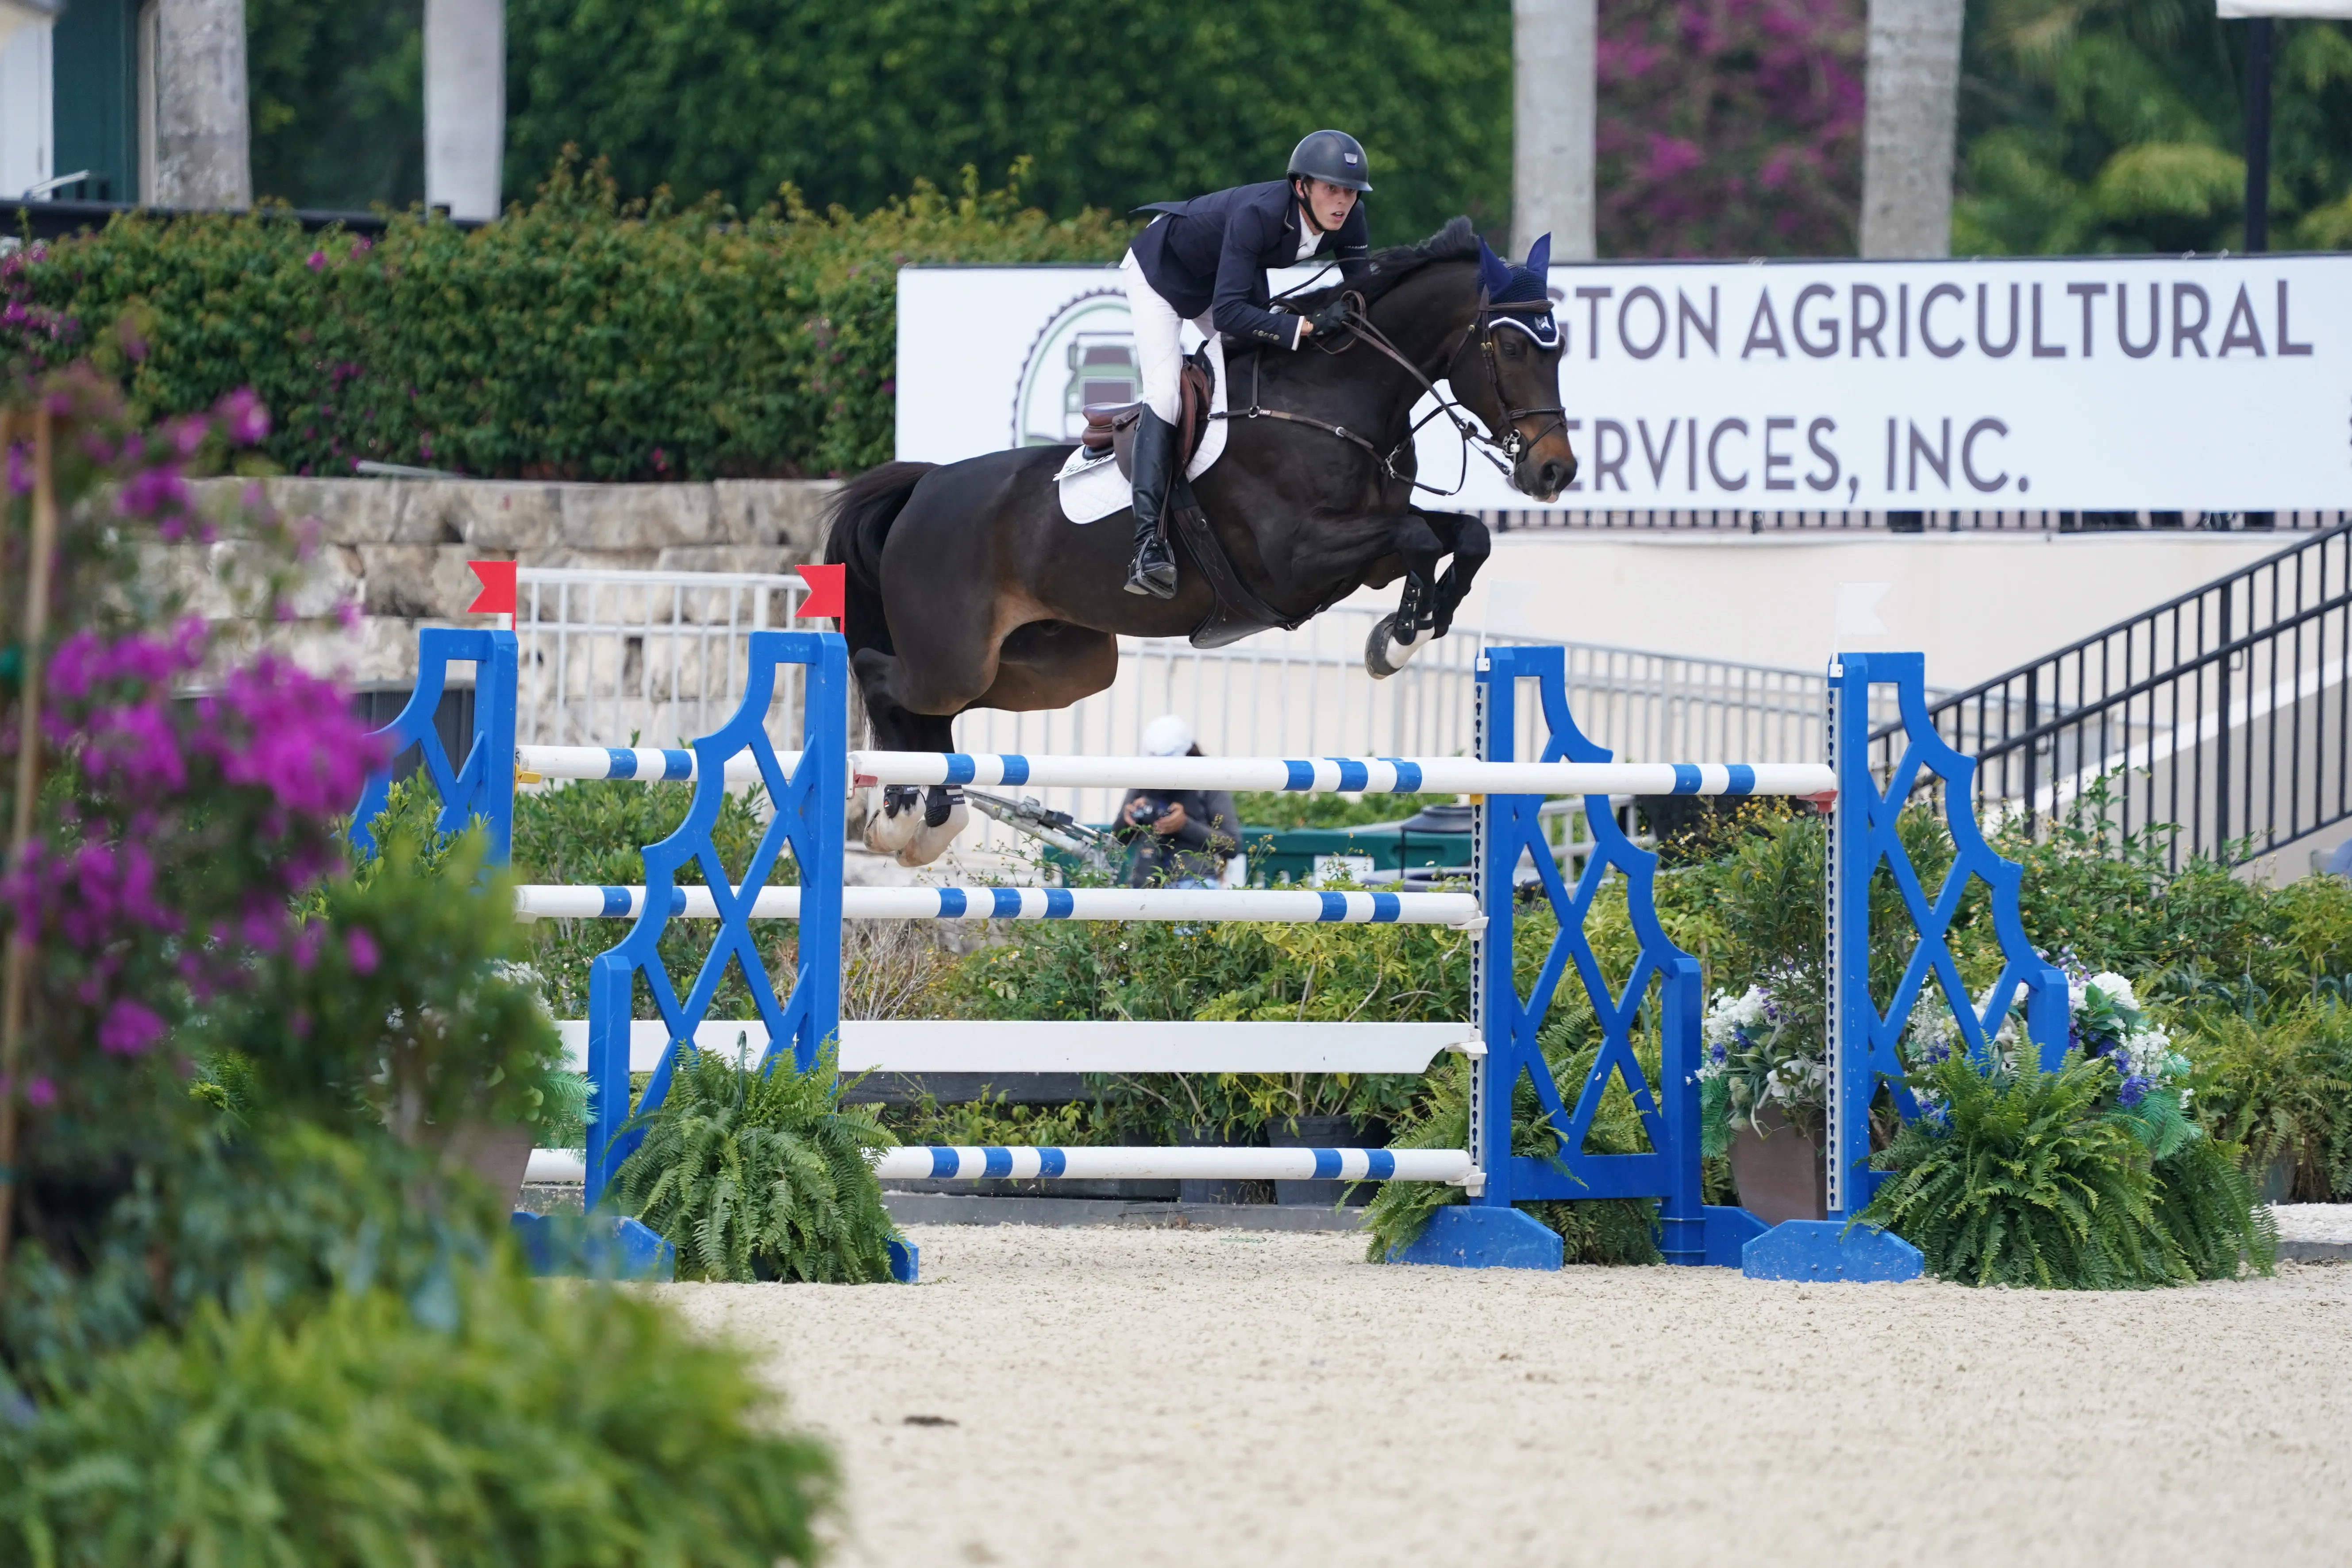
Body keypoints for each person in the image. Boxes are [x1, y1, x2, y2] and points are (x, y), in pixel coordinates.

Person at [1117, 129, 1376, 599]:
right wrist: (1306, 326)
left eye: (1351, 191)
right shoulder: (1258, 214)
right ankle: (1147, 546)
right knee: (1165, 393)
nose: (1343, 202)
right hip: (1162, 274)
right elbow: (1231, 315)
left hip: (1223, 279)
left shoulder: (1351, 219)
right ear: (1301, 187)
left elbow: (1367, 295)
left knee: (1267, 365)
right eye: (1331, 189)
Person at [1115, 715, 1240, 889]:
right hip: (1146, 881)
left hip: (1195, 881)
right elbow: (1119, 838)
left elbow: (1233, 845)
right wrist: (1129, 819)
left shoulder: (1209, 777)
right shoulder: (1144, 776)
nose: (1163, 772)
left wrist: (1185, 825)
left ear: (1188, 754)